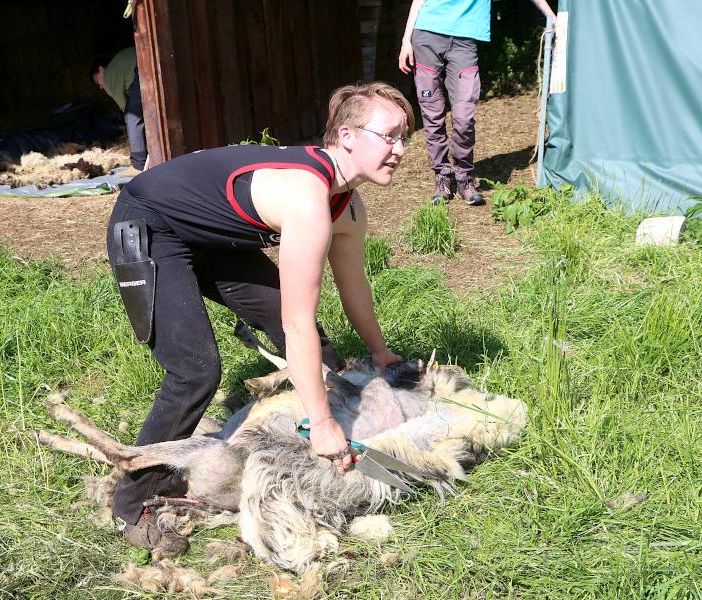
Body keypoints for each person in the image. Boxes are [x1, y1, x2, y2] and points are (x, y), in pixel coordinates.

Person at [105, 81, 415, 551]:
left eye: (403, 137)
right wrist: (322, 422)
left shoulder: (346, 206)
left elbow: (354, 288)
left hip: (214, 240)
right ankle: (131, 505)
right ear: (348, 136)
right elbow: (295, 321)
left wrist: (380, 352)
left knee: (321, 348)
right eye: (389, 135)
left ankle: (323, 448)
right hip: (151, 226)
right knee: (195, 372)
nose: (400, 149)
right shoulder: (307, 198)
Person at [398, 0, 556, 205]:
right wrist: (406, 40)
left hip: (464, 42)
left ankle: (464, 178)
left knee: (464, 117)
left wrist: (551, 16)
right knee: (432, 114)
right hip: (427, 35)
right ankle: (442, 177)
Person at [91, 47, 148, 173]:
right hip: (148, 59)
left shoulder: (109, 76)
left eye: (97, 81)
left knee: (132, 117)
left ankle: (139, 164)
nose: (101, 87)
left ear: (101, 70)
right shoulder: (120, 64)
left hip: (140, 70)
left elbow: (125, 106)